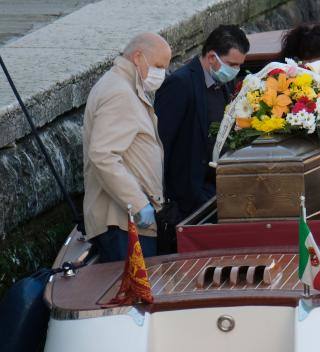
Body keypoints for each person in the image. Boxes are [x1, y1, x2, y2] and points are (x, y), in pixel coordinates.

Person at [82, 32, 171, 263]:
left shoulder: (125, 86)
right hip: (122, 222)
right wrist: (139, 203)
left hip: (127, 220)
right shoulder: (119, 92)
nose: (162, 73)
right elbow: (103, 155)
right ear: (138, 57)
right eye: (159, 65)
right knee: (135, 293)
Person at [154, 25, 250, 220]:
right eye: (232, 64)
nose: (235, 70)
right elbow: (161, 142)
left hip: (215, 188)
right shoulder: (180, 84)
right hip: (189, 195)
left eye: (239, 65)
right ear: (212, 58)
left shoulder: (225, 82)